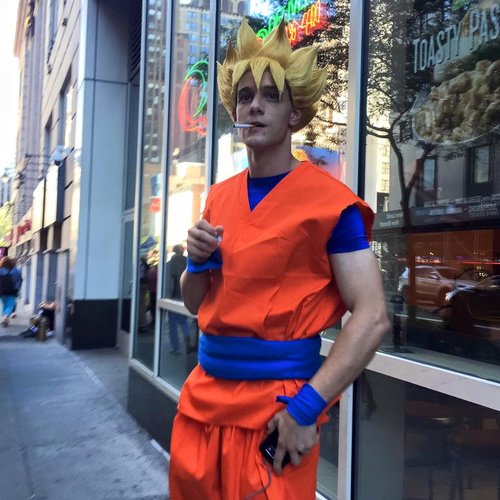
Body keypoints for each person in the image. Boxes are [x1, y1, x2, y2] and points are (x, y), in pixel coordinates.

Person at [169, 20, 390, 500]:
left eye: (271, 96)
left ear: (295, 114)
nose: (255, 105)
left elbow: (372, 316)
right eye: (246, 96)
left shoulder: (331, 204)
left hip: (277, 413)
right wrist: (197, 264)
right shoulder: (218, 197)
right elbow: (195, 303)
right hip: (201, 404)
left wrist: (306, 408)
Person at [166, 244, 191, 354]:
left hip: (173, 297)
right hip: (184, 296)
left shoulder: (170, 264)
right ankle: (187, 338)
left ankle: (175, 347)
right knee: (183, 321)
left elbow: (169, 282)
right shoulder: (187, 262)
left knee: (172, 324)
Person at [0, 257, 23, 327]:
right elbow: (20, 280)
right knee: (10, 305)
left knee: (5, 304)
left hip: (1, 291)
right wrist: (18, 288)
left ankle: (5, 319)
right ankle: (5, 317)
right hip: (12, 291)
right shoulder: (16, 271)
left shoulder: (0, 270)